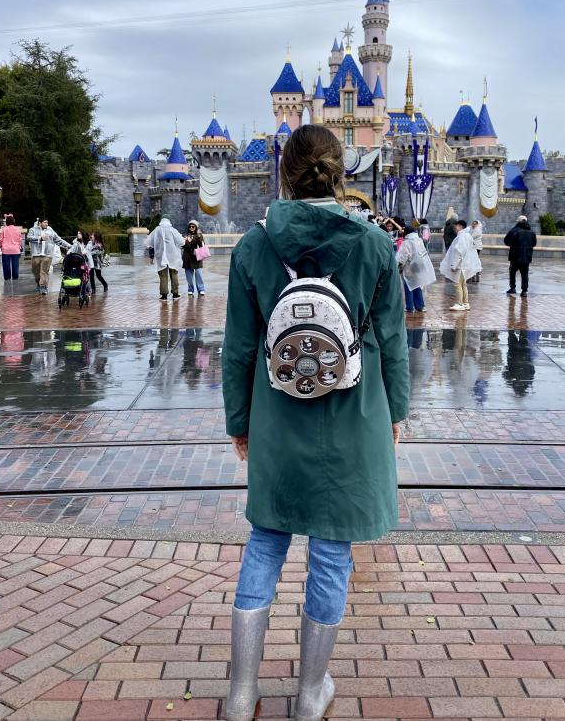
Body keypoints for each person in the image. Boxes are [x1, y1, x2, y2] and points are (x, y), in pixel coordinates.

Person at [222, 125, 408, 721]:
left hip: (277, 417)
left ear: (284, 173)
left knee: (266, 541)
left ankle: (241, 693)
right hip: (352, 420)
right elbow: (396, 344)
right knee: (331, 554)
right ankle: (309, 696)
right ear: (341, 171)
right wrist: (396, 411)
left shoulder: (252, 247)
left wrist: (239, 422)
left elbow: (239, 349)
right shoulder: (376, 245)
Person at [439, 219, 482, 312]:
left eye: (457, 225)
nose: (455, 227)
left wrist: (453, 265)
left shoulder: (462, 237)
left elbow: (459, 252)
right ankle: (465, 303)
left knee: (457, 284)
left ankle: (459, 303)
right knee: (463, 284)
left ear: (460, 226)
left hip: (461, 265)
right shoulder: (467, 236)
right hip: (465, 264)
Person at [396, 225, 436, 313]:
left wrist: (399, 266)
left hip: (409, 267)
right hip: (419, 266)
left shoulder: (406, 242)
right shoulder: (419, 240)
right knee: (417, 285)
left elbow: (403, 257)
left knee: (409, 286)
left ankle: (409, 307)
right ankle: (420, 306)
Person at [27, 217, 70, 294]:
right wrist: (40, 238)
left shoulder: (50, 230)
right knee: (36, 273)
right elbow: (29, 238)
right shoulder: (32, 229)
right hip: (36, 254)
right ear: (40, 223)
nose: (46, 224)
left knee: (44, 271)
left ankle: (43, 287)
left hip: (47, 255)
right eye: (45, 222)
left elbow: (58, 240)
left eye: (47, 222)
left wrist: (69, 246)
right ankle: (38, 284)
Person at [145, 216, 185, 300]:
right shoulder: (172, 230)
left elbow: (150, 242)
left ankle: (164, 295)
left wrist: (151, 256)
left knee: (163, 275)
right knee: (174, 274)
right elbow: (181, 242)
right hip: (173, 256)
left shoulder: (157, 230)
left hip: (160, 256)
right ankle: (175, 294)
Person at [504, 215, 537, 297]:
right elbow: (534, 244)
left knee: (512, 272)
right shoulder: (532, 232)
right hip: (527, 256)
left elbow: (507, 242)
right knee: (525, 274)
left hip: (515, 256)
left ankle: (513, 288)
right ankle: (524, 291)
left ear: (518, 222)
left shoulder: (515, 231)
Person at [181, 220, 206, 296]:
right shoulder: (185, 235)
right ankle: (190, 289)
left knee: (199, 274)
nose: (191, 228)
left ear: (196, 227)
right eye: (190, 226)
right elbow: (183, 246)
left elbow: (202, 245)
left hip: (197, 257)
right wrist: (187, 241)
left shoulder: (199, 235)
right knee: (189, 276)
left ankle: (201, 289)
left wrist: (199, 236)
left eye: (193, 226)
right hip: (187, 258)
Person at [0, 215, 23, 281]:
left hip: (6, 250)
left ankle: (7, 278)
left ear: (6, 222)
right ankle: (15, 277)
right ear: (13, 221)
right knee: (15, 265)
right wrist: (19, 246)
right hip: (15, 249)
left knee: (6, 265)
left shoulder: (4, 229)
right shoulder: (17, 229)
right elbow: (20, 240)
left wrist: (1, 246)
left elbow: (1, 239)